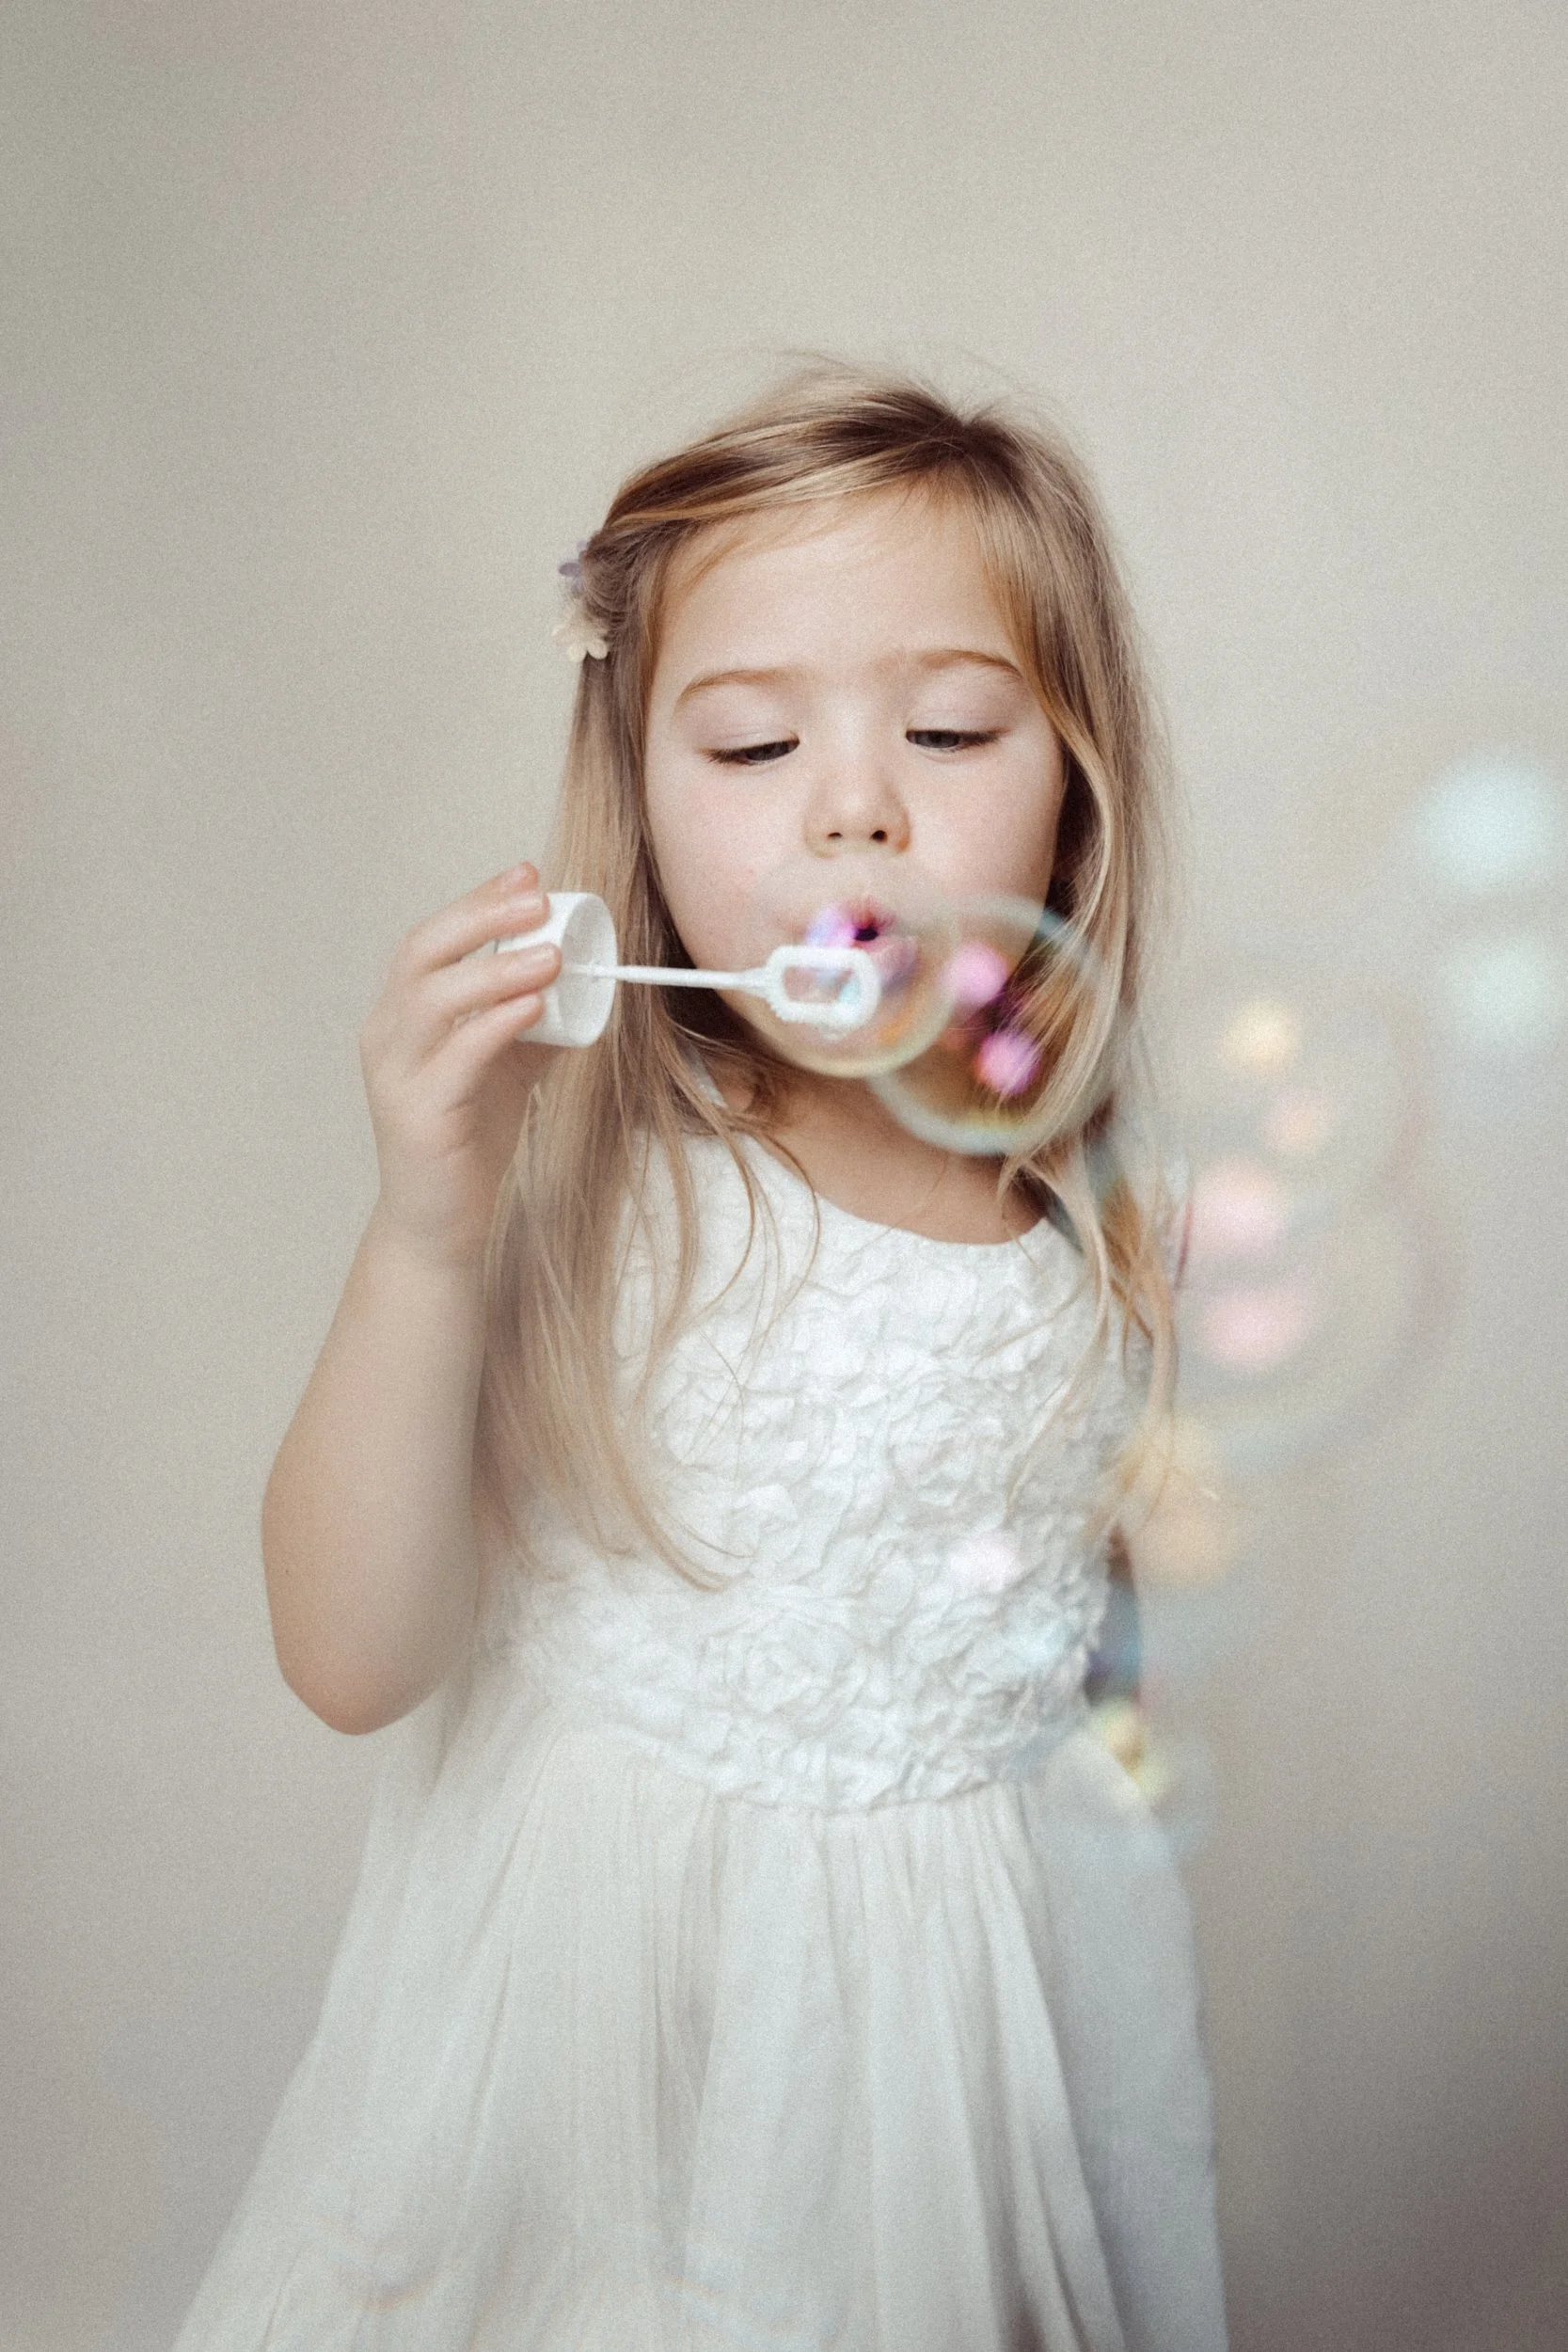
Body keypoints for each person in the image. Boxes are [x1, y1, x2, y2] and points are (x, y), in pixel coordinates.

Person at [173, 365, 1227, 2351]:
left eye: (943, 727)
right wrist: (422, 1221)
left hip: (942, 2085)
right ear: (638, 799)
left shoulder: (1107, 1232)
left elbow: (1092, 1710)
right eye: (748, 739)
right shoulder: (599, 1196)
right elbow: (346, 1653)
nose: (852, 801)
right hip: (588, 2069)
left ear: (1073, 781)